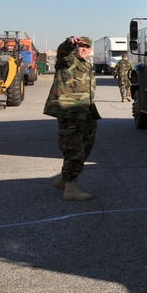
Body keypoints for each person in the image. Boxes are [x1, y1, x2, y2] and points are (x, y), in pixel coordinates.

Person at [44, 35, 99, 201]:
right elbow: (63, 53)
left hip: (85, 112)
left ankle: (63, 179)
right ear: (76, 48)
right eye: (81, 46)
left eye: (86, 47)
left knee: (86, 146)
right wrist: (69, 43)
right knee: (74, 148)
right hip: (70, 113)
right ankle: (70, 188)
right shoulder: (69, 60)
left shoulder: (86, 64)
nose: (83, 49)